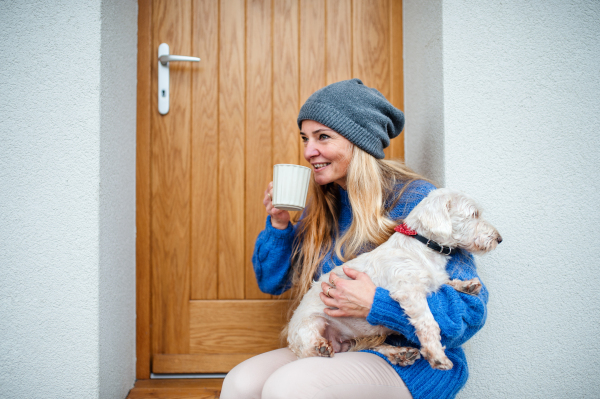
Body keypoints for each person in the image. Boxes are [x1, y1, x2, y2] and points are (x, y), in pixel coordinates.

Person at [220, 79, 488, 399]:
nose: (308, 151)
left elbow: (468, 314)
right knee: (241, 383)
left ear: (358, 142)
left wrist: (376, 303)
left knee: (289, 386)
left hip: (411, 358)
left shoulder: (418, 203)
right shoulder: (324, 207)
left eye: (323, 137)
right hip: (344, 345)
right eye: (305, 138)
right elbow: (272, 282)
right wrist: (279, 225)